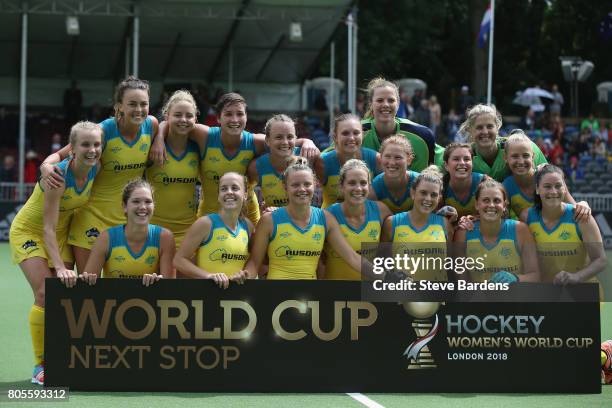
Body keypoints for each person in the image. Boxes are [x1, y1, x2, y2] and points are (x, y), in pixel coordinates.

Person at [9, 121, 102, 385]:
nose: (92, 150)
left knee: (67, 297)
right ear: (72, 148)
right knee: (46, 292)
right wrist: (61, 267)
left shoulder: (98, 164)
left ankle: (66, 357)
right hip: (31, 231)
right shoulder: (58, 178)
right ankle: (41, 365)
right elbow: (47, 229)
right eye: (85, 145)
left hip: (62, 233)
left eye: (96, 144)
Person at [40, 76, 158, 272]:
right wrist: (45, 165)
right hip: (91, 218)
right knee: (89, 290)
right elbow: (62, 154)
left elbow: (163, 126)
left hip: (127, 222)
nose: (139, 109)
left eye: (144, 104)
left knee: (120, 291)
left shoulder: (151, 125)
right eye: (132, 104)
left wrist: (160, 139)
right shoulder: (103, 131)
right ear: (119, 106)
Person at [157, 93, 319, 225]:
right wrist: (158, 139)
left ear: (246, 117)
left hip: (248, 217)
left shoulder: (254, 142)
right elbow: (170, 122)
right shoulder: (204, 136)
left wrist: (306, 141)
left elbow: (283, 142)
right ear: (218, 118)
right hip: (209, 216)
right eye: (228, 114)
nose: (234, 120)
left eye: (240, 114)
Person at [243, 158, 366, 280]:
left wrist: (381, 276)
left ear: (315, 184)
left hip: (309, 297)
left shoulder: (326, 218)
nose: (302, 189)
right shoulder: (269, 220)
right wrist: (243, 276)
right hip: (276, 295)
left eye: (307, 184)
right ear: (285, 187)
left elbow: (351, 257)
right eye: (295, 185)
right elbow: (254, 263)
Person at [521, 165, 606, 294]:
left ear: (565, 189)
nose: (553, 191)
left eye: (558, 186)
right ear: (537, 189)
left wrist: (577, 277)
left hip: (585, 295)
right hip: (548, 295)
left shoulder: (581, 217)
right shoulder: (527, 217)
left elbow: (600, 259)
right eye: (547, 186)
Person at [80, 179, 175, 284]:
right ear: (124, 206)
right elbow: (87, 286)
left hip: (149, 300)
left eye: (148, 202)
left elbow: (169, 289)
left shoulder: (165, 237)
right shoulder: (106, 238)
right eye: (136, 201)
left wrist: (156, 282)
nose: (143, 207)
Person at [174, 172, 253, 287]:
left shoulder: (248, 226)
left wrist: (244, 275)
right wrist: (208, 276)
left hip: (236, 298)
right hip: (206, 297)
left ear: (245, 194)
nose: (229, 192)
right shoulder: (205, 224)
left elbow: (254, 262)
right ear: (218, 196)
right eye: (224, 189)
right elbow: (179, 260)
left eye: (235, 188)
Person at [454, 178, 540, 283]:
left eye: (497, 200)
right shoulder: (463, 233)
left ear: (504, 205)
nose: (491, 205)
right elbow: (461, 283)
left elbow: (536, 276)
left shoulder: (520, 230)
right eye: (486, 200)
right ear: (477, 204)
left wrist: (516, 278)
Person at [145, 90, 200, 247]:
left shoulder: (199, 147)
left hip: (188, 231)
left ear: (195, 118)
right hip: (153, 230)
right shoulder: (152, 144)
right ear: (167, 116)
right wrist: (159, 137)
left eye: (189, 116)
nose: (183, 119)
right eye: (177, 115)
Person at [382, 166, 453, 282]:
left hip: (436, 296)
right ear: (413, 193)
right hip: (402, 296)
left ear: (439, 198)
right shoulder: (392, 223)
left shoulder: (445, 224)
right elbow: (383, 262)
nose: (428, 199)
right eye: (423, 193)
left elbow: (450, 263)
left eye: (434, 195)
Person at [324, 159, 392, 280]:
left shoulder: (381, 211)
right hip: (336, 293)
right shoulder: (328, 215)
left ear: (369, 186)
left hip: (368, 293)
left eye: (363, 183)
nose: (358, 188)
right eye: (352, 183)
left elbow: (390, 252)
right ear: (341, 186)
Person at [502, 131, 589, 220]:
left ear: (533, 157)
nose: (521, 161)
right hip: (527, 232)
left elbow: (573, 207)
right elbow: (504, 221)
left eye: (525, 156)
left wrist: (582, 205)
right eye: (515, 156)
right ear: (505, 158)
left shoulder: (547, 177)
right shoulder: (507, 185)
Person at [360, 77, 436, 172]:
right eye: (380, 100)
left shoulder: (422, 136)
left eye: (391, 100)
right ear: (371, 104)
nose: (386, 104)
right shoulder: (355, 132)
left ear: (398, 104)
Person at [459, 104, 547, 182]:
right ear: (470, 130)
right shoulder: (463, 156)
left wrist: (542, 169)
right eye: (479, 127)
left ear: (497, 128)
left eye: (490, 126)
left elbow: (549, 177)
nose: (485, 132)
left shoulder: (524, 146)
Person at [315, 113, 379, 208]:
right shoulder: (322, 162)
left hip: (364, 220)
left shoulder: (376, 159)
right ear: (335, 137)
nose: (351, 138)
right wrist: (304, 141)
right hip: (330, 219)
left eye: (356, 133)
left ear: (363, 135)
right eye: (345, 133)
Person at [247, 114, 299, 212]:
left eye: (290, 137)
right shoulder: (256, 168)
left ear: (296, 139)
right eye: (279, 137)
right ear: (267, 140)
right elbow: (247, 194)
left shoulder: (307, 158)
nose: (285, 142)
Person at [369, 136, 419, 214]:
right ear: (381, 158)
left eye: (398, 157)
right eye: (387, 156)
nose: (392, 162)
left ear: (409, 160)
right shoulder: (375, 188)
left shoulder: (419, 182)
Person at [442, 143, 485, 218]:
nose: (462, 163)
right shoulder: (440, 187)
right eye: (456, 159)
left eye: (466, 159)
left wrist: (476, 219)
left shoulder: (484, 182)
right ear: (446, 165)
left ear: (472, 163)